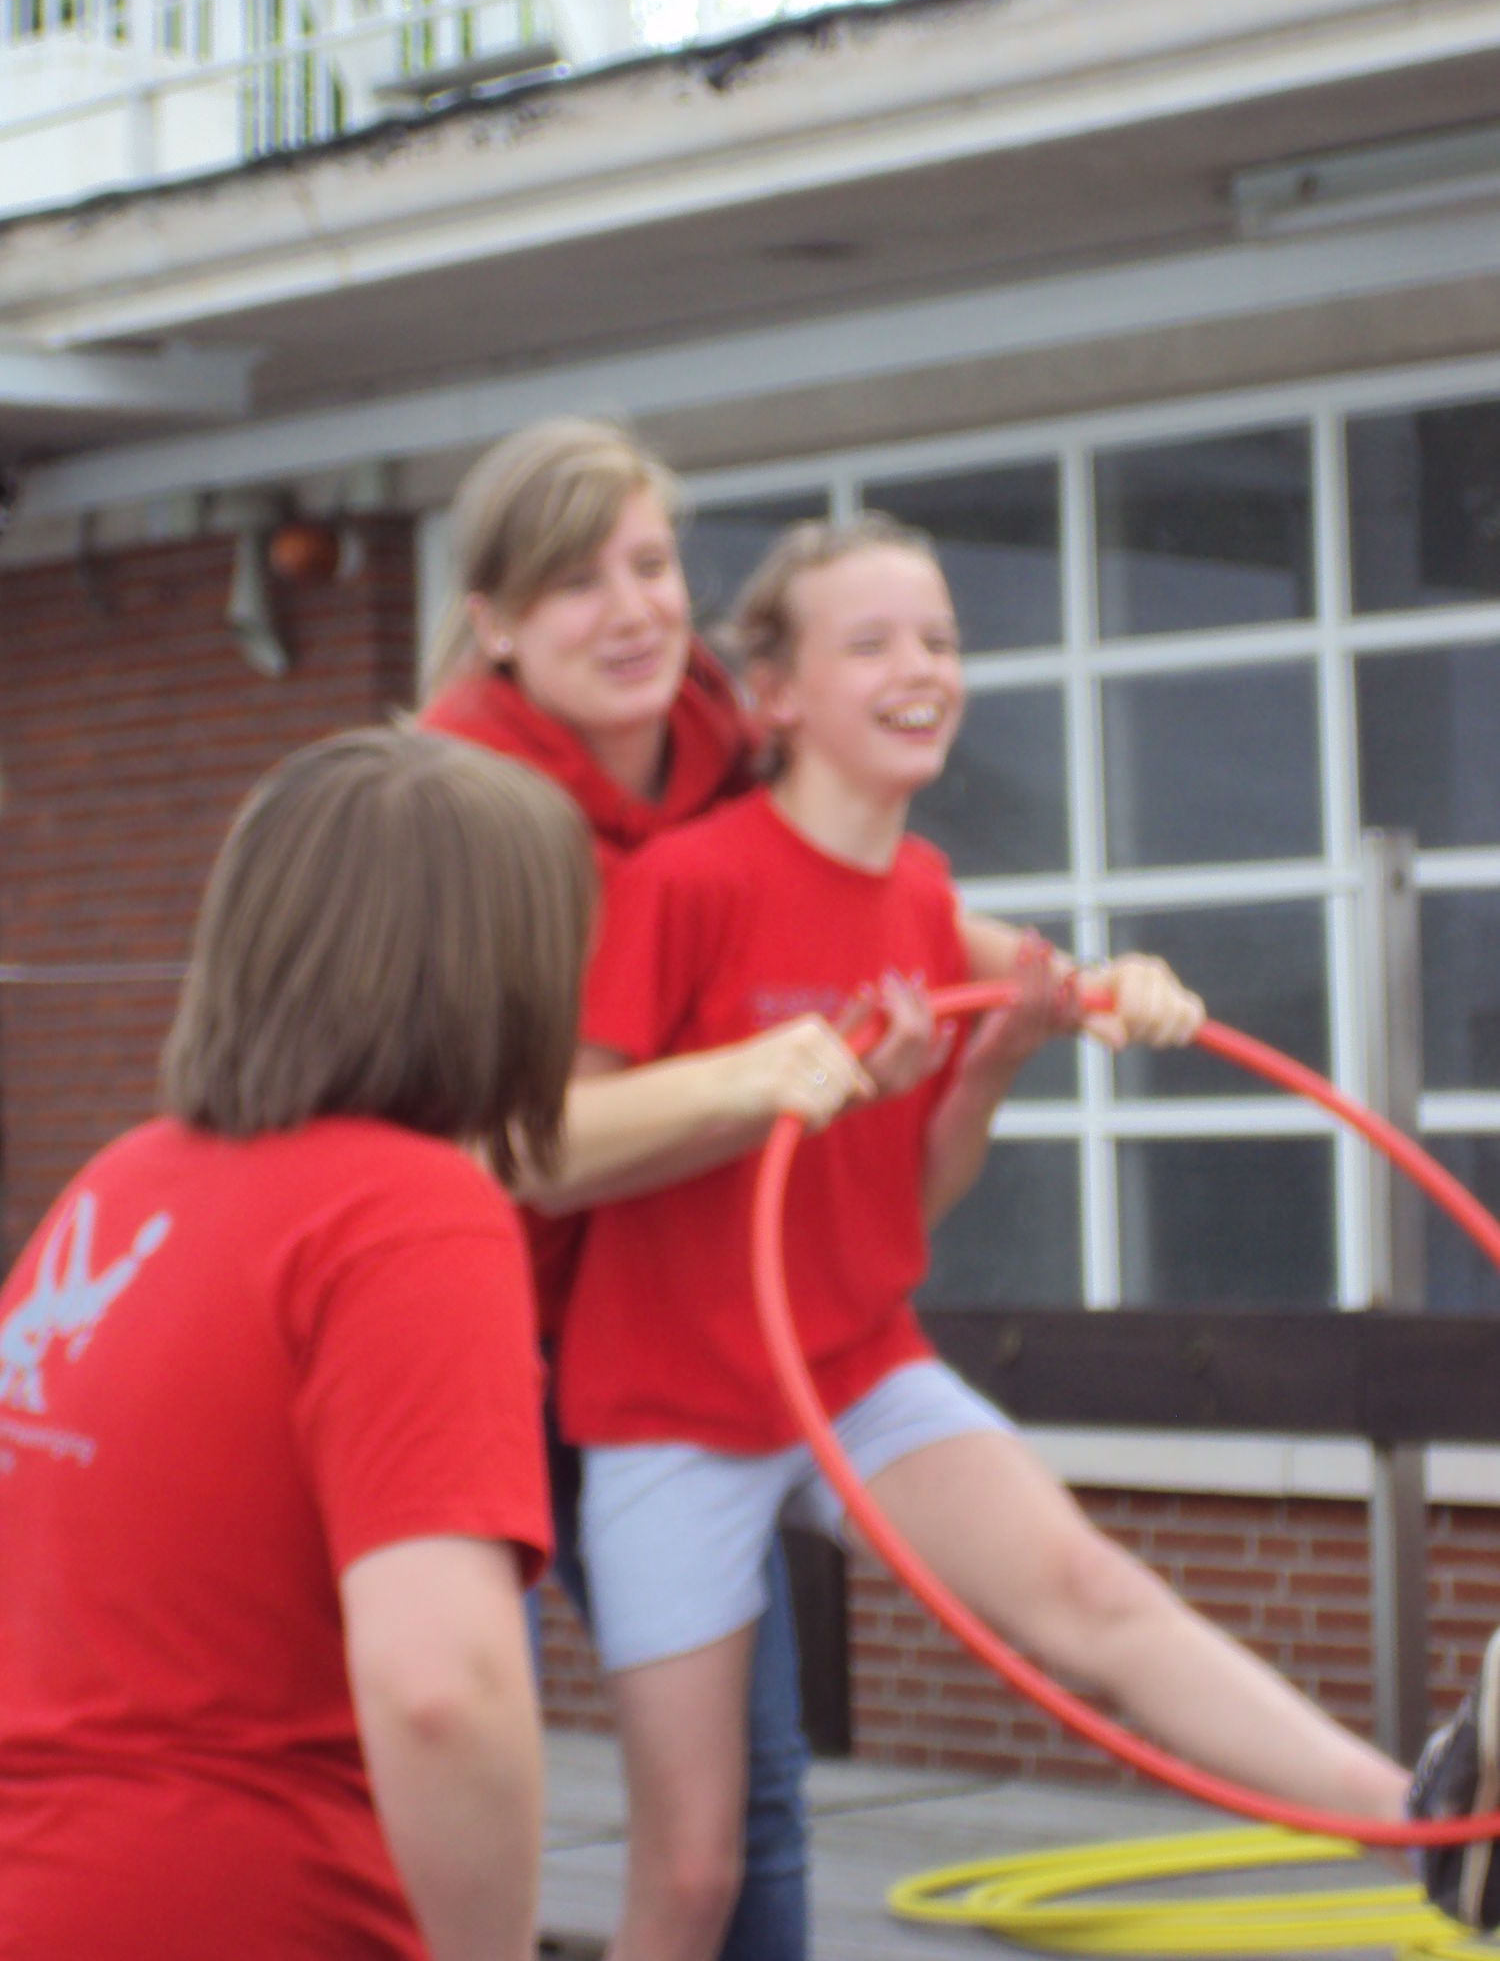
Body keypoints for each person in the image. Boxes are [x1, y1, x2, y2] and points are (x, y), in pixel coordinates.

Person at [556, 514, 1421, 1961]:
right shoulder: (688, 884)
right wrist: (771, 1090)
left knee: (1095, 1595)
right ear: (772, 694)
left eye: (944, 641)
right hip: (669, 1407)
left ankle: (1418, 1828)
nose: (923, 669)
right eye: (874, 642)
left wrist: (1021, 1050)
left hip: (853, 1364)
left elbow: (904, 1206)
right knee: (693, 1874)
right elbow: (569, 1149)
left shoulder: (922, 898)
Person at [417, 421, 1205, 1961]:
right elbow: (502, 1140)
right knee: (465, 1747)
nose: (635, 609)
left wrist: (1073, 984)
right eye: (577, 583)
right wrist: (763, 1069)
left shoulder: (714, 727)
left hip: (658, 1331)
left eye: (651, 564)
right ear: (497, 622)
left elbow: (881, 895)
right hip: (465, 1330)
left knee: (748, 1801)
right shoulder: (457, 806)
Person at [0, 727, 594, 1961]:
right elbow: (444, 1689)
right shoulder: (408, 1216)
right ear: (510, 976)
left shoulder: (120, 1183)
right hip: (232, 1903)